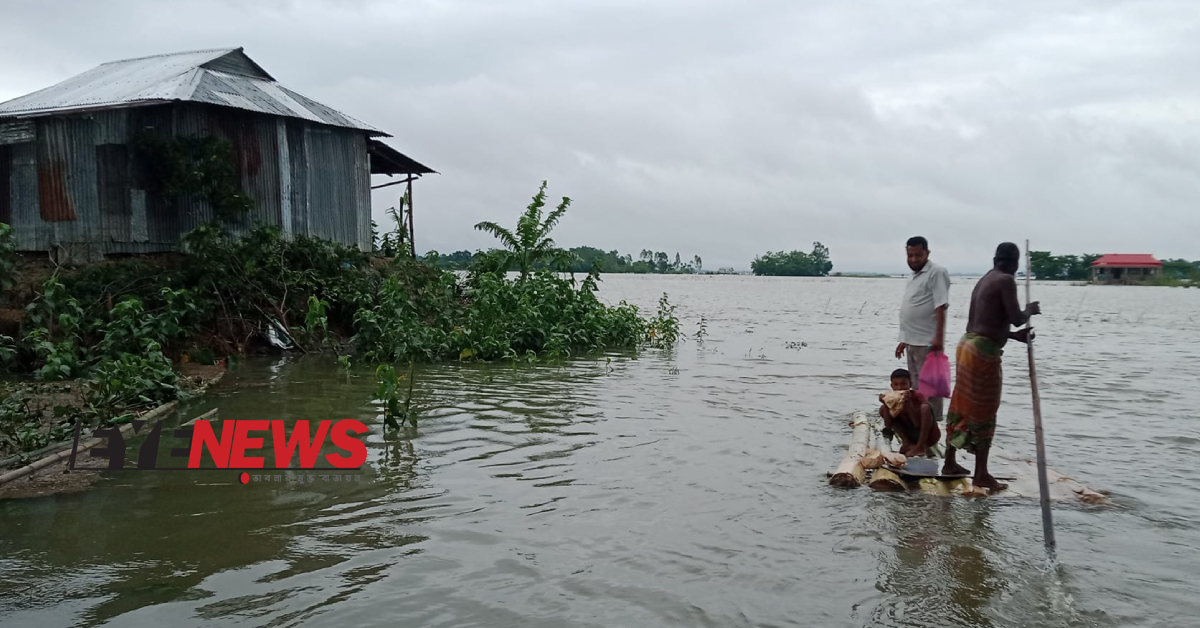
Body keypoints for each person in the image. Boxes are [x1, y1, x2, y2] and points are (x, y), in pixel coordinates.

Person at [942, 242, 1040, 490]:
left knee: (960, 405)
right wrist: (1030, 310)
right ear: (1013, 263)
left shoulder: (987, 278)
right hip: (982, 353)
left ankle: (950, 462)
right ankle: (981, 473)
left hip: (967, 345)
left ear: (995, 259)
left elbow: (988, 322)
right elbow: (1016, 318)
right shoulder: (1006, 280)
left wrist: (1014, 337)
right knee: (985, 410)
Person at [895, 236, 951, 423]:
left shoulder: (936, 272)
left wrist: (938, 338)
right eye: (910, 255)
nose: (913, 259)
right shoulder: (913, 276)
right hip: (912, 340)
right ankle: (920, 429)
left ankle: (931, 431)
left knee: (930, 390)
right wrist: (904, 339)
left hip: (928, 342)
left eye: (918, 255)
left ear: (927, 253)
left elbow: (940, 306)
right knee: (917, 389)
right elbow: (915, 305)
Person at [878, 368, 942, 457]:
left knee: (925, 407)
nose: (899, 388)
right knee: (882, 409)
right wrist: (886, 404)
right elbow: (888, 425)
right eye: (896, 385)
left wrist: (908, 404)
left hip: (927, 436)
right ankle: (907, 443)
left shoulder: (917, 396)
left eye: (903, 384)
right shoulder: (892, 399)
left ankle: (920, 446)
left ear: (910, 384)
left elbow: (916, 423)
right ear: (892, 386)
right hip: (910, 434)